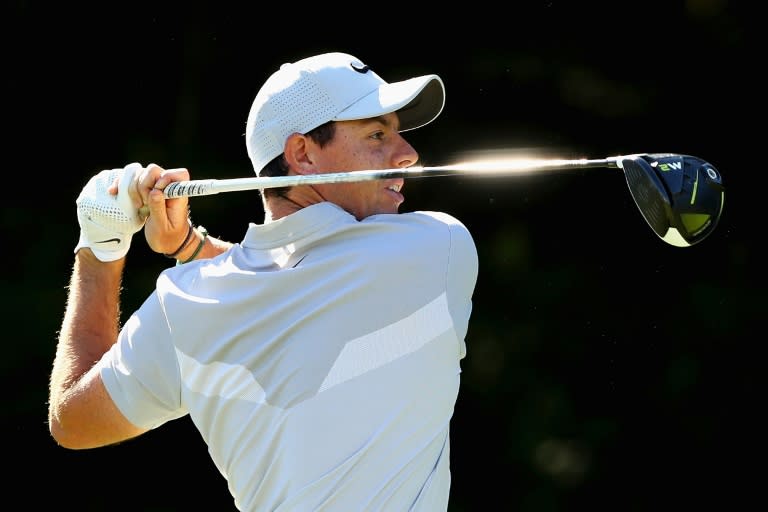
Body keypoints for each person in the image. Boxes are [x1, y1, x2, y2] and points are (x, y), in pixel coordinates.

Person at [48, 51, 479, 511]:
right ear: (302, 154)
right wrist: (191, 248)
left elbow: (73, 419)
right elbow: (296, 276)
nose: (407, 154)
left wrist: (101, 247)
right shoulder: (437, 247)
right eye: (377, 134)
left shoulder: (188, 303)